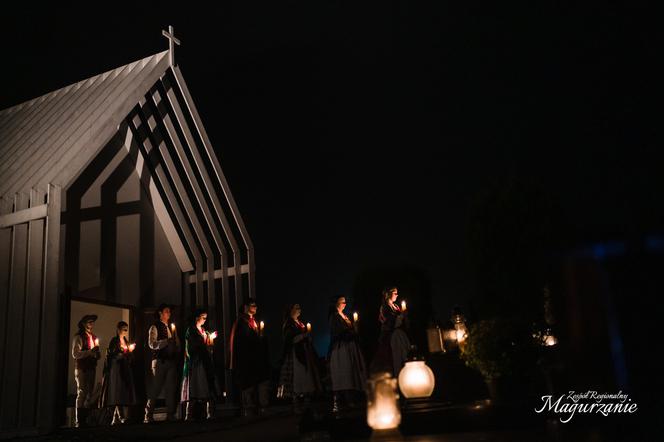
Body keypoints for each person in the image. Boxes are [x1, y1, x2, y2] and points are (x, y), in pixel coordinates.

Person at [229, 299, 271, 416]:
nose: (256, 307)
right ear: (246, 307)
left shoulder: (254, 321)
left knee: (258, 382)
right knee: (247, 385)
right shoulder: (241, 322)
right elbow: (240, 342)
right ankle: (248, 408)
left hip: (256, 359)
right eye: (253, 305)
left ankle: (260, 407)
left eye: (256, 305)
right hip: (246, 359)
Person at [277, 304, 321, 413]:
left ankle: (307, 403)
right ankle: (296, 403)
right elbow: (289, 339)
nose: (299, 310)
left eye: (300, 308)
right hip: (295, 355)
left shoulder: (300, 323)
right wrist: (304, 336)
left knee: (306, 377)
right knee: (296, 378)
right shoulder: (289, 324)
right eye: (296, 308)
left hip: (303, 353)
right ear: (291, 310)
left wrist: (307, 338)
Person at [328, 295, 367, 412]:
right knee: (345, 371)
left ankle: (355, 397)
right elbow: (338, 332)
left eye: (345, 302)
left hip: (350, 346)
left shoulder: (345, 316)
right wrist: (350, 332)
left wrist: (355, 328)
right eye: (342, 302)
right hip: (342, 348)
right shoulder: (334, 317)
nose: (344, 304)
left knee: (353, 370)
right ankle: (345, 400)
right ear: (336, 304)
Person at [144, 303, 181, 423]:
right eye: (166, 311)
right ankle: (148, 415)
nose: (169, 313)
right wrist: (166, 342)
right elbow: (152, 344)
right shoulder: (154, 327)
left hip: (171, 361)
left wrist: (176, 345)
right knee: (156, 387)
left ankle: (170, 414)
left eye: (169, 311)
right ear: (160, 313)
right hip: (160, 361)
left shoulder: (170, 327)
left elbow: (176, 344)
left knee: (171, 388)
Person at [181, 308, 218, 421]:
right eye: (203, 317)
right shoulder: (191, 330)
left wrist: (210, 339)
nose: (205, 320)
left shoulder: (203, 331)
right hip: (196, 363)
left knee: (207, 387)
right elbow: (193, 346)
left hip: (205, 362)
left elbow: (208, 347)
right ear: (197, 317)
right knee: (194, 388)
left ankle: (210, 413)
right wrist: (205, 343)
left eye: (206, 317)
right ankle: (189, 415)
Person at [99, 321, 137, 425]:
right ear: (118, 329)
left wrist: (129, 351)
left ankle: (117, 418)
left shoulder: (126, 341)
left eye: (126, 329)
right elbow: (112, 355)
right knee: (117, 392)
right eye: (124, 329)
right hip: (116, 369)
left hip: (124, 368)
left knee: (123, 392)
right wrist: (122, 353)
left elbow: (128, 355)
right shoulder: (114, 341)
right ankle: (118, 417)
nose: (125, 331)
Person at [370, 287, 410, 376]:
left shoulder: (396, 306)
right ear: (389, 294)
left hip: (399, 335)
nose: (397, 295)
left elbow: (403, 323)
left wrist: (405, 316)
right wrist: (401, 317)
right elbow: (390, 322)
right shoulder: (384, 307)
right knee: (395, 358)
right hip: (391, 337)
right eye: (395, 293)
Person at [71, 314, 101, 428]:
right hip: (82, 368)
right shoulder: (78, 337)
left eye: (92, 322)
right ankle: (79, 420)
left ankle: (86, 419)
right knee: (82, 392)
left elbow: (95, 353)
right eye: (89, 322)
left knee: (89, 393)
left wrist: (97, 354)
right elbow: (75, 354)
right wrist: (90, 352)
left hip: (91, 368)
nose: (91, 324)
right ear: (83, 324)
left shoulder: (94, 337)